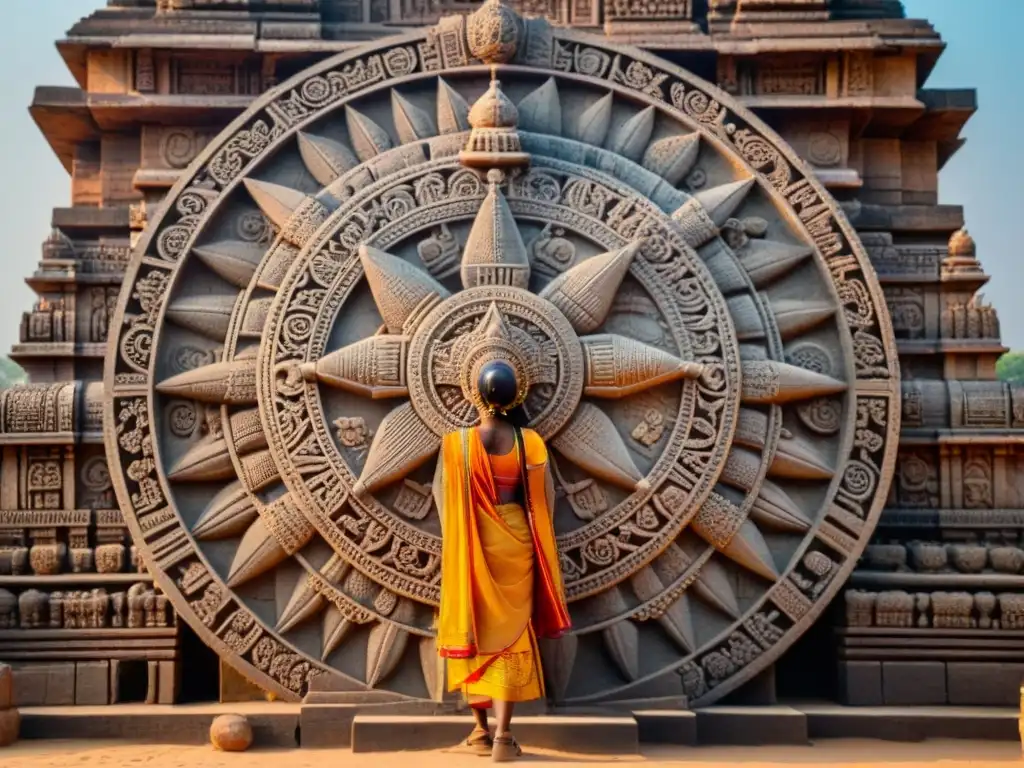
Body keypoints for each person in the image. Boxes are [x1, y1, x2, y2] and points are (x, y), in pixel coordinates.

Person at [434, 359, 571, 762]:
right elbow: (546, 500)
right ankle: (502, 737)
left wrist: (461, 541)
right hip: (518, 545)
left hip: (472, 542)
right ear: (519, 396)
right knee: (512, 639)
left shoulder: (456, 445)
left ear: (475, 394)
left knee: (475, 635)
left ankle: (479, 729)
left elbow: (443, 503)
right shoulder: (530, 443)